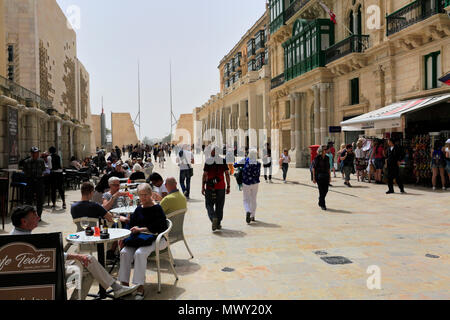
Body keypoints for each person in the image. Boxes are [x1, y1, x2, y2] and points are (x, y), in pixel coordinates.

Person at [10, 205, 138, 300]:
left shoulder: (16, 235)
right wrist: (76, 256)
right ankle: (116, 288)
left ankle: (116, 288)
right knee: (87, 265)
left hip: (43, 271)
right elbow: (48, 257)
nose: (38, 218)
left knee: (87, 261)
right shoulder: (23, 240)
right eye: (35, 216)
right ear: (24, 222)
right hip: (44, 276)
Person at [118, 184, 168, 300]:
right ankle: (124, 286)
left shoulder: (157, 208)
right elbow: (131, 224)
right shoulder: (139, 208)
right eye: (141, 195)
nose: (143, 197)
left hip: (156, 238)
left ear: (151, 194)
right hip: (140, 239)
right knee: (124, 252)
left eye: (145, 195)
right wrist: (124, 237)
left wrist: (141, 229)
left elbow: (160, 227)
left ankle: (140, 287)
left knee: (139, 254)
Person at [202, 147, 231, 231]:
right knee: (220, 205)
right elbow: (227, 174)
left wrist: (202, 186)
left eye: (212, 150)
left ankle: (213, 218)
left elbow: (204, 175)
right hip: (221, 186)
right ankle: (218, 223)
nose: (211, 151)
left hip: (210, 186)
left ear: (214, 152)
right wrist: (228, 186)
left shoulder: (208, 161)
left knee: (209, 204)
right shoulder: (223, 161)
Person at [234, 149, 261, 224]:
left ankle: (248, 211)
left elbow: (235, 165)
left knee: (246, 199)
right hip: (255, 183)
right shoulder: (258, 163)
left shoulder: (245, 160)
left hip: (246, 183)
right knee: (253, 199)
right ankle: (252, 215)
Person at [22, 147, 46, 220]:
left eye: (37, 153)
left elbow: (43, 169)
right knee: (29, 200)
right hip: (30, 181)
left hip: (39, 181)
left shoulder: (41, 161)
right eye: (35, 153)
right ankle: (29, 216)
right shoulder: (26, 162)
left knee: (40, 200)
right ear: (32, 154)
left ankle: (39, 216)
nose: (36, 154)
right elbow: (24, 171)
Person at [312, 145, 331, 211]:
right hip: (319, 176)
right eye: (324, 150)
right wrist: (313, 178)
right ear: (321, 151)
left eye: (326, 149)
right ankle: (323, 205)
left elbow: (329, 168)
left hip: (326, 176)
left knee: (326, 190)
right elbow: (313, 168)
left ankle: (320, 199)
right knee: (321, 191)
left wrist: (330, 177)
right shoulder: (317, 158)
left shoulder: (327, 158)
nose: (326, 151)